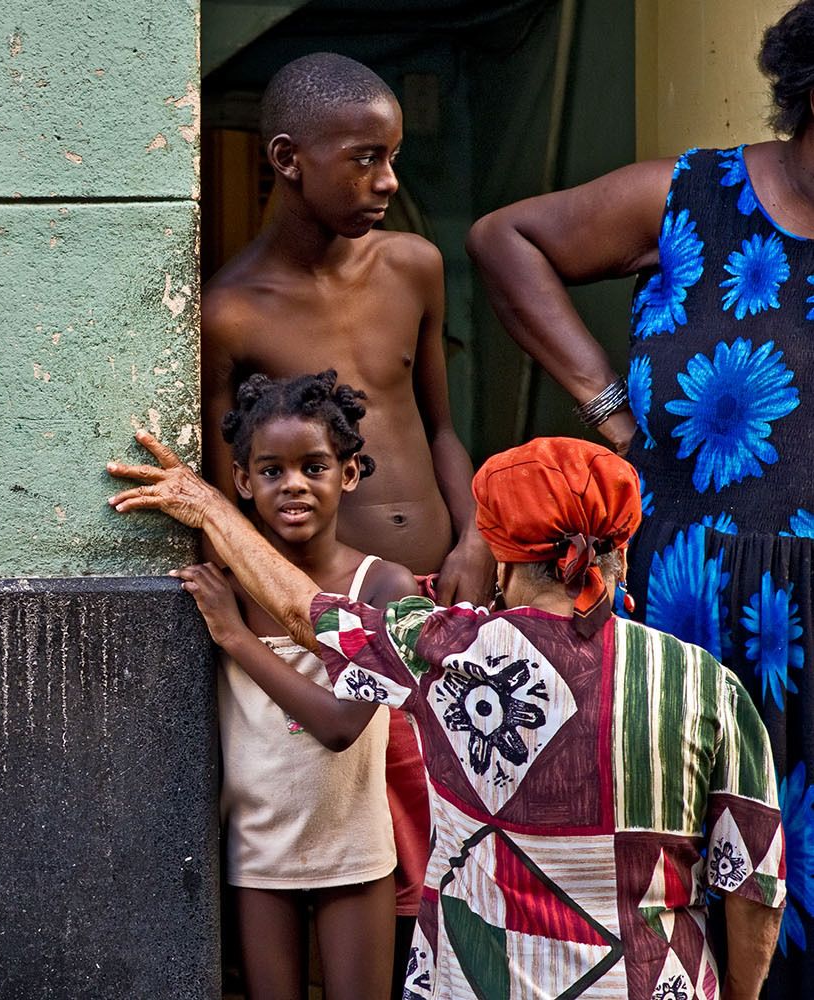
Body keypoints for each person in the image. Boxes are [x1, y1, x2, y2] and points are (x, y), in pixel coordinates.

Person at [107, 432, 786, 1000]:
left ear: (499, 551)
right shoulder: (709, 684)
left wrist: (209, 510)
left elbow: (301, 610)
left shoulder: (447, 652)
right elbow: (756, 883)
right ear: (622, 549)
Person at [466, 3, 814, 990]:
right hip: (689, 601)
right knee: (685, 856)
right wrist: (614, 414)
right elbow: (506, 240)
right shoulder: (691, 194)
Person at [202, 52, 493, 961]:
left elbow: (444, 427)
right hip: (325, 632)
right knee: (356, 867)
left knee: (458, 873)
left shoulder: (413, 265)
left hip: (440, 604)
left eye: (393, 155)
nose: (390, 180)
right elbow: (230, 493)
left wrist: (478, 533)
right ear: (289, 158)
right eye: (365, 157)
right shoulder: (233, 315)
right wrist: (296, 611)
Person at [213, 372, 419, 999]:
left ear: (349, 473)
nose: (293, 484)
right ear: (243, 483)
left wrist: (238, 639)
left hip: (353, 849)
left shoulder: (385, 589)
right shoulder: (230, 588)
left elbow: (338, 724)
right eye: (270, 471)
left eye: (315, 466)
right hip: (259, 851)